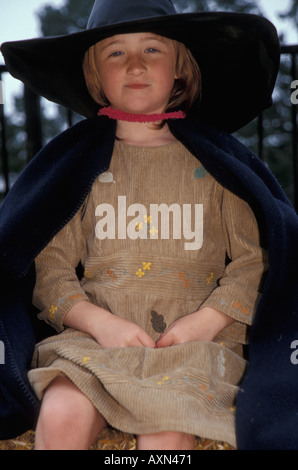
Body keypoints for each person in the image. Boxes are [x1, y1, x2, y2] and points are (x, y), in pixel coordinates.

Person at [1, 0, 298, 451]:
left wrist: (206, 321)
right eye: (115, 52)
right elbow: (51, 268)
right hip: (96, 342)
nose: (135, 65)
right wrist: (100, 323)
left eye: (153, 50)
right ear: (94, 74)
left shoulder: (218, 163)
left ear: (181, 66)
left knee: (166, 432)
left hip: (191, 347)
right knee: (61, 414)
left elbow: (256, 260)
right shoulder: (74, 166)